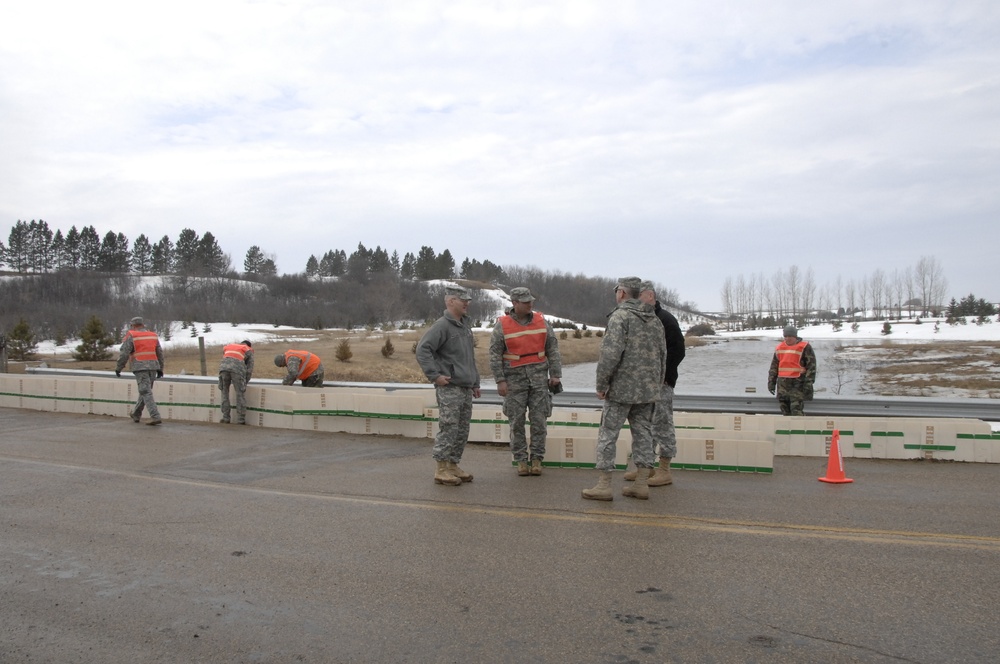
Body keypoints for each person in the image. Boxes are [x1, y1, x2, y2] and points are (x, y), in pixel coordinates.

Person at [583, 277, 666, 501]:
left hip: (620, 390)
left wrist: (602, 384)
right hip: (647, 390)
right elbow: (662, 357)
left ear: (621, 293)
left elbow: (609, 355)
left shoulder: (620, 317)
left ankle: (604, 484)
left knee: (608, 434)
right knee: (644, 436)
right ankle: (640, 484)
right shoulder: (655, 320)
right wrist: (656, 385)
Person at [489, 287, 563, 476]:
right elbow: (495, 355)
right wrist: (500, 381)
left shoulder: (541, 322)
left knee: (539, 420)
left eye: (531, 301)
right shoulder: (502, 325)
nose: (530, 304)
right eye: (525, 302)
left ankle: (537, 458)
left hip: (539, 379)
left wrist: (555, 375)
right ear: (514, 303)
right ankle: (521, 459)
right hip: (514, 381)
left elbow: (552, 349)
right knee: (516, 421)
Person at [416, 285, 481, 486]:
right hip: (450, 387)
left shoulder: (464, 326)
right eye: (463, 300)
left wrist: (475, 382)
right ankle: (441, 469)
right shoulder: (442, 326)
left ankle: (453, 465)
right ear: (450, 301)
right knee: (449, 427)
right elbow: (423, 350)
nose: (467, 303)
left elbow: (469, 358)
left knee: (462, 429)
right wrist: (435, 376)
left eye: (468, 300)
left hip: (465, 386)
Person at [624, 281, 686, 486]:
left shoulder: (665, 319)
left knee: (662, 424)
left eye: (639, 296)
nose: (636, 301)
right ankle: (645, 467)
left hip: (662, 383)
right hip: (643, 384)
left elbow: (678, 351)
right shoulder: (641, 319)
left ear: (650, 296)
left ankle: (664, 469)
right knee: (644, 426)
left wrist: (665, 376)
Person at [115, 316, 165, 426]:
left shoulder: (132, 335)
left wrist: (119, 367)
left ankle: (155, 416)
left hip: (139, 366)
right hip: (153, 366)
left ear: (133, 325)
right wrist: (161, 368)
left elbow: (124, 353)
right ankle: (136, 414)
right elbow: (160, 353)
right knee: (145, 390)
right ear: (143, 324)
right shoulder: (153, 335)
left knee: (145, 391)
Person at [767, 325, 817, 416]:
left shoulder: (804, 347)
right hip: (782, 385)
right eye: (785, 336)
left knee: (796, 411)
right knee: (785, 412)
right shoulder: (779, 348)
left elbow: (811, 366)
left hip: (797, 384)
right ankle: (788, 429)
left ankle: (799, 429)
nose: (787, 338)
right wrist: (771, 382)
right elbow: (774, 367)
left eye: (790, 336)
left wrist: (808, 383)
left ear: (795, 336)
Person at [219, 340, 254, 424]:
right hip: (237, 370)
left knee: (224, 393)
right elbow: (249, 369)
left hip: (223, 369)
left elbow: (226, 357)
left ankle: (225, 418)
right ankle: (241, 420)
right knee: (240, 394)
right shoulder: (248, 350)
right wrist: (245, 382)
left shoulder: (229, 346)